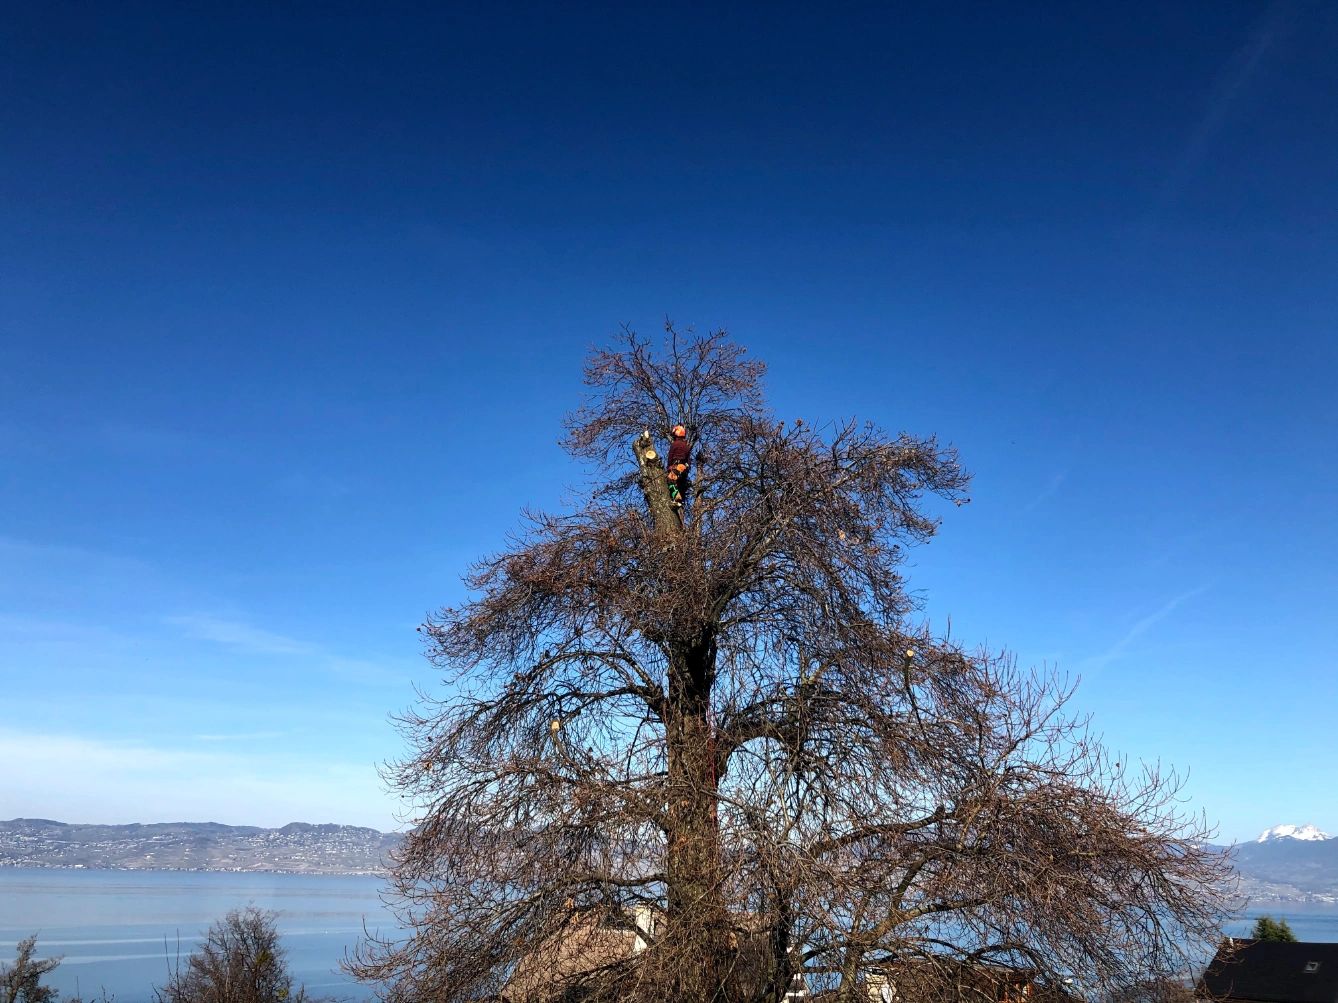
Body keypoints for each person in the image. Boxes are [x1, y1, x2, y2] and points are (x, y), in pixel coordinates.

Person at [666, 424, 691, 508]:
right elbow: (688, 460)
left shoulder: (675, 445)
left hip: (676, 467)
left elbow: (670, 457)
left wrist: (669, 467)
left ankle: (677, 499)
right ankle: (681, 500)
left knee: (670, 480)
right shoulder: (686, 446)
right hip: (684, 468)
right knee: (680, 484)